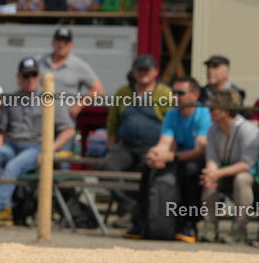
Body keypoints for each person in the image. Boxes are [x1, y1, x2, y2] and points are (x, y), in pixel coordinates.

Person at [0, 57, 76, 226]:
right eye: (26, 75)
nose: (30, 79)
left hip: (35, 147)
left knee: (13, 166)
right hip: (11, 145)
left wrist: (49, 150)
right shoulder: (11, 99)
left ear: (39, 77)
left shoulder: (50, 99)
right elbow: (2, 132)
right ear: (19, 78)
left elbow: (69, 130)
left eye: (34, 75)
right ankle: (4, 209)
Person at [123, 77, 210, 243]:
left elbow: (200, 150)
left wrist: (171, 156)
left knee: (190, 170)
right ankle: (142, 220)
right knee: (148, 166)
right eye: (174, 93)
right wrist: (154, 155)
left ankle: (190, 224)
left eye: (181, 93)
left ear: (195, 95)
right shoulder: (172, 114)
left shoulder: (204, 114)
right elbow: (164, 143)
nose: (175, 96)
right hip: (177, 156)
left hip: (198, 159)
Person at [102, 53, 174, 227]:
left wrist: (165, 150)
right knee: (107, 168)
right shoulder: (123, 92)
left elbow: (173, 122)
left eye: (147, 70)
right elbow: (112, 123)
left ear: (155, 72)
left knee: (150, 170)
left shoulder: (165, 93)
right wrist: (111, 145)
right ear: (134, 72)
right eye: (140, 69)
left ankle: (143, 213)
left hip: (154, 146)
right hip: (125, 147)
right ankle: (129, 208)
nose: (143, 73)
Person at [199, 89, 259, 244]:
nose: (209, 111)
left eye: (212, 108)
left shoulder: (247, 129)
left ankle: (239, 230)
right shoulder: (213, 129)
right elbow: (211, 158)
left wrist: (217, 173)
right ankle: (210, 227)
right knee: (209, 181)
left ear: (225, 111)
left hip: (251, 177)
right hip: (226, 173)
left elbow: (247, 164)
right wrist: (211, 173)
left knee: (241, 179)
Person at [37, 27, 104, 118]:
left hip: (65, 119)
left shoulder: (79, 65)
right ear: (53, 43)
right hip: (39, 117)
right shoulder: (39, 61)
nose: (61, 44)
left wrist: (80, 104)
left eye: (66, 41)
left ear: (72, 45)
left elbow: (98, 90)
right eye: (59, 40)